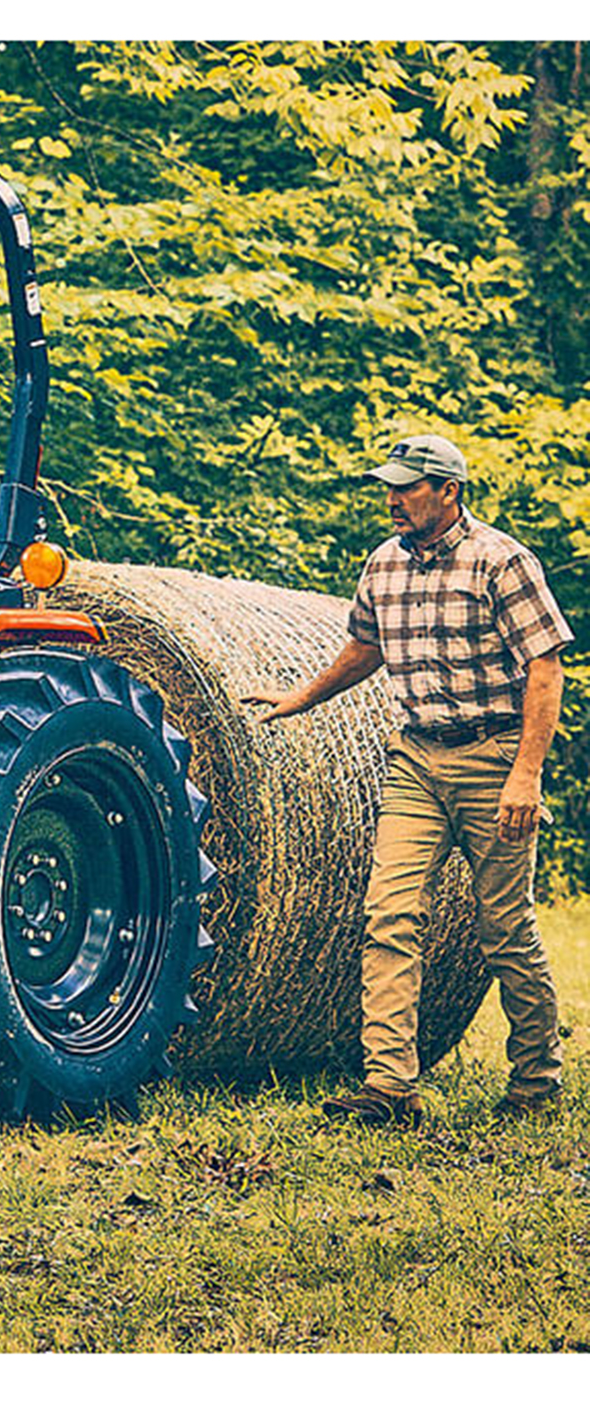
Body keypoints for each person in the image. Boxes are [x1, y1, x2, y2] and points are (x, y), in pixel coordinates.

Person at [242, 435, 572, 1126]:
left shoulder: (502, 561)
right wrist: (303, 697)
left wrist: (526, 776)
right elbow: (364, 649)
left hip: (494, 757)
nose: (392, 499)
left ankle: (537, 1082)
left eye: (408, 487)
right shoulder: (383, 565)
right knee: (389, 915)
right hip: (416, 762)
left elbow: (545, 668)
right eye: (389, 486)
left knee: (504, 929)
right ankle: (390, 1088)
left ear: (449, 492)